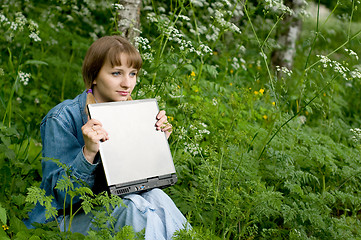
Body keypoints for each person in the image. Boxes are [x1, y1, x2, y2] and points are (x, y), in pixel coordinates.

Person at [24, 35, 189, 239]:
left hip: (112, 206)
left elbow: (136, 184)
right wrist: (88, 152)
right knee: (134, 209)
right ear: (94, 76)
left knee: (157, 198)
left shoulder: (134, 114)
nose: (127, 83)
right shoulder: (62, 118)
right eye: (116, 73)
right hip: (64, 219)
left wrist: (156, 143)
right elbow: (61, 198)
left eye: (133, 73)